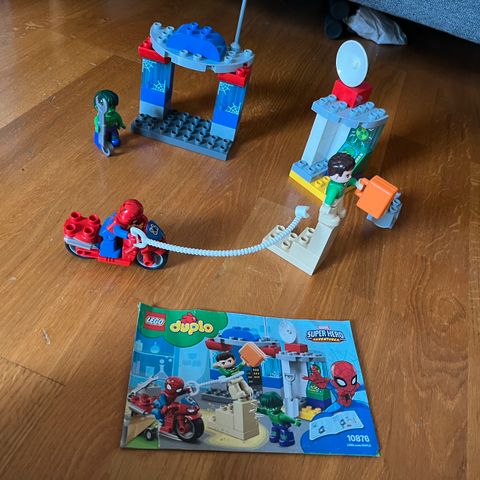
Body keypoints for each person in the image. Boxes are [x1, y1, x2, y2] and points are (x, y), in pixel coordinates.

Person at [319, 152, 362, 226]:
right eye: (347, 175)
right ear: (336, 176)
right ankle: (328, 217)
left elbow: (350, 180)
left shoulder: (344, 181)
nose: (350, 176)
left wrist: (356, 183)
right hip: (332, 202)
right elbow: (330, 197)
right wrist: (326, 205)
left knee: (340, 205)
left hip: (340, 198)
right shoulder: (334, 187)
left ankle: (340, 210)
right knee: (332, 209)